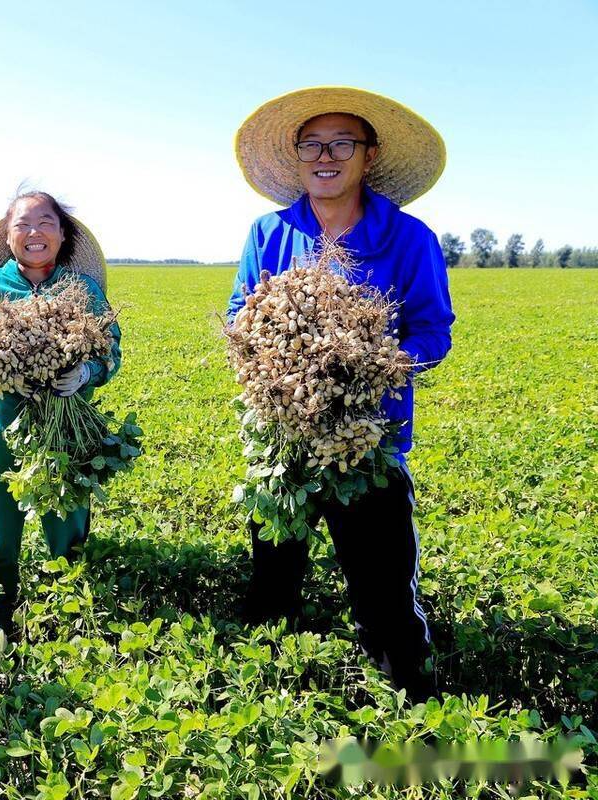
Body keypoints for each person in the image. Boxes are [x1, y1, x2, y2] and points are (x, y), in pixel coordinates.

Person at [228, 87, 455, 702]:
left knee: (382, 586)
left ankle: (411, 701)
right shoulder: (269, 233)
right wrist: (272, 352)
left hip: (368, 439)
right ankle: (260, 691)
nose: (325, 156)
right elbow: (238, 313)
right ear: (297, 157)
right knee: (274, 571)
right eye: (311, 145)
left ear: (369, 155)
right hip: (285, 441)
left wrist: (372, 363)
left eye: (341, 144)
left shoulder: (408, 239)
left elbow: (433, 331)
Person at [0, 190, 122, 671]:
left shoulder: (83, 289)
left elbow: (111, 351)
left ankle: (70, 617)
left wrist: (86, 373)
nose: (35, 232)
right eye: (23, 224)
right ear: (8, 236)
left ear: (62, 235)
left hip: (66, 429)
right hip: (0, 425)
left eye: (46, 222)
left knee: (67, 524)